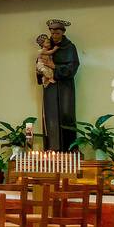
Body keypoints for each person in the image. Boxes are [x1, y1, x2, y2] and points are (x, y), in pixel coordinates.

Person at [41, 19, 80, 151]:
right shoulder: (47, 47)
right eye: (52, 33)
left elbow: (73, 66)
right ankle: (52, 148)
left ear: (63, 32)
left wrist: (55, 67)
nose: (54, 36)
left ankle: (70, 149)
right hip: (50, 86)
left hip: (65, 86)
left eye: (57, 33)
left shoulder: (70, 47)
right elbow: (40, 60)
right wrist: (40, 70)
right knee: (50, 114)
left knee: (66, 113)